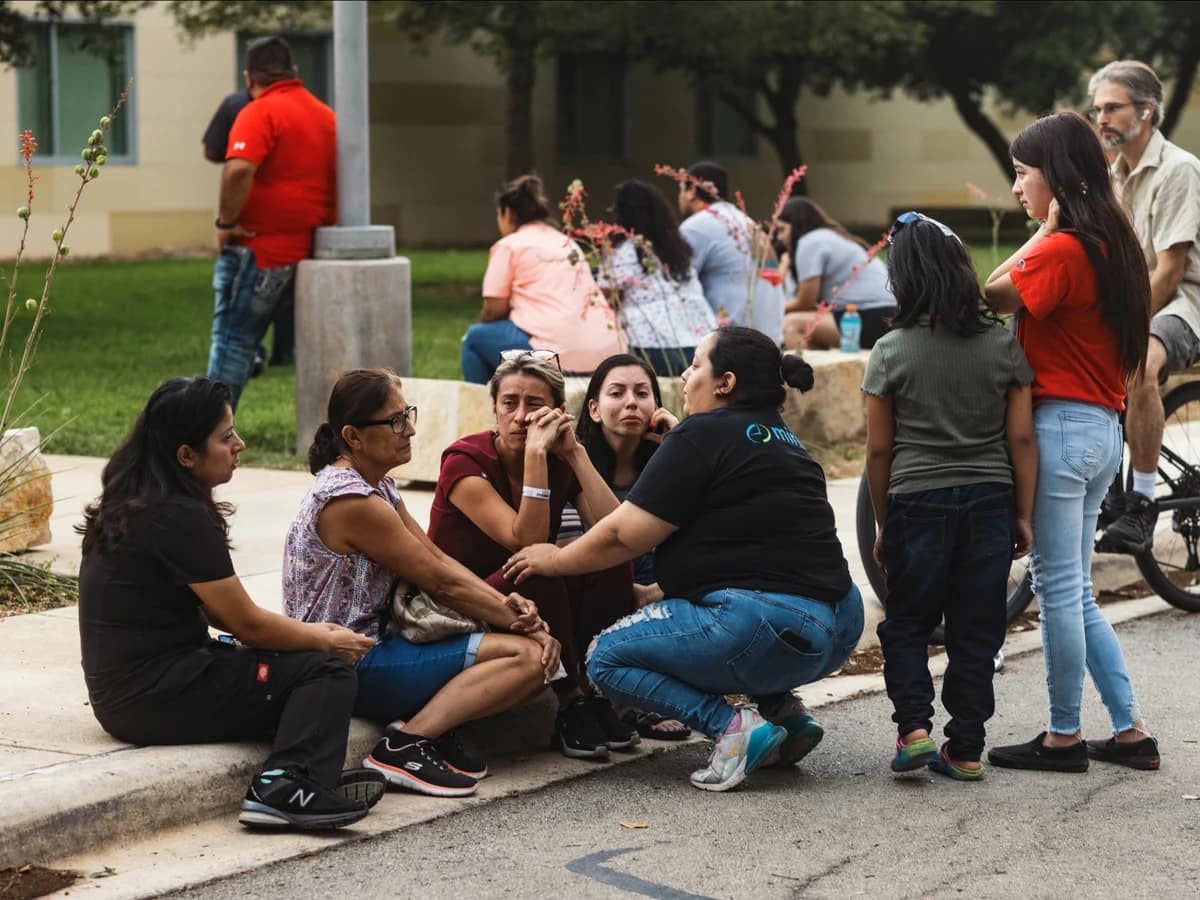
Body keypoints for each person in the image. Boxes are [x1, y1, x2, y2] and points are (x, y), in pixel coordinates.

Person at [505, 327, 864, 792]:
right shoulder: (784, 438)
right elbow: (744, 550)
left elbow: (622, 534)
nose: (686, 375)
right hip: (837, 627)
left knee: (606, 658)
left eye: (696, 364)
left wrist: (554, 560)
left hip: (766, 626)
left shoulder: (702, 433)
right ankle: (786, 717)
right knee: (723, 622)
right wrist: (655, 593)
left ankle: (732, 728)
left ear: (726, 383)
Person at [76, 377, 384, 831]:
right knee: (325, 670)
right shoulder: (178, 518)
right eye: (225, 438)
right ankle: (285, 787)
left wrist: (292, 642)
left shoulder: (139, 502)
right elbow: (246, 624)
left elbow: (223, 614)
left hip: (132, 693)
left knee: (288, 665)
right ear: (186, 456)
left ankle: (310, 775)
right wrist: (324, 637)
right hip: (154, 697)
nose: (239, 445)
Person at [283, 368, 558, 797]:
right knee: (529, 658)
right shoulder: (351, 500)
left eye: (406, 414)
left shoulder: (378, 488)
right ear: (353, 437)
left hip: (377, 647)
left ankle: (419, 728)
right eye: (395, 421)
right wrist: (526, 626)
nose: (410, 429)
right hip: (345, 663)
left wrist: (513, 610)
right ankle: (404, 745)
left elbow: (438, 559)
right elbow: (440, 582)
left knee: (529, 649)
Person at [983, 111, 1160, 772]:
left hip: (1059, 432)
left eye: (1023, 172)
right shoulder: (1113, 244)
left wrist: (1045, 233)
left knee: (1057, 590)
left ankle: (1062, 737)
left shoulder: (1063, 249)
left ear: (1055, 177)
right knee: (1072, 589)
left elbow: (988, 299)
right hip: (1100, 433)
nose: (1015, 187)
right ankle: (1130, 732)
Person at [864, 212, 1037, 780]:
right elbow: (1020, 437)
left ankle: (913, 730)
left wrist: (885, 523)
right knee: (975, 629)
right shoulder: (1002, 345)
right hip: (989, 501)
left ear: (905, 278)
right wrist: (1023, 513)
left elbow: (879, 453)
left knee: (908, 622)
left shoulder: (891, 351)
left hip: (917, 501)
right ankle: (964, 750)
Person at [429, 350, 641, 759]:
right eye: (509, 403)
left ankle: (598, 686)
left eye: (535, 405)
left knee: (610, 561)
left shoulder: (559, 458)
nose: (521, 416)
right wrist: (536, 458)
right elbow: (522, 541)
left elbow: (618, 531)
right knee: (536, 566)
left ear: (559, 412)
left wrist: (575, 452)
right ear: (494, 408)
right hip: (462, 603)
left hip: (524, 600)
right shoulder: (465, 461)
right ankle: (570, 701)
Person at [1087, 60, 1200, 555]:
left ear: (1147, 111)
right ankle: (1105, 488)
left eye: (1113, 108)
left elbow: (1170, 272)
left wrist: (1122, 326)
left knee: (1139, 360)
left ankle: (1142, 502)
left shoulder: (1179, 170)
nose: (1102, 119)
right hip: (1144, 298)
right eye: (1097, 110)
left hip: (1188, 301)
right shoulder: (1113, 176)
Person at [564, 353, 691, 741]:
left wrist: (680, 442)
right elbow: (606, 536)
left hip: (656, 583)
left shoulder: (669, 459)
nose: (632, 403)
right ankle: (629, 697)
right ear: (594, 408)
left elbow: (702, 528)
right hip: (600, 576)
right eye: (617, 393)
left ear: (657, 404)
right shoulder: (573, 460)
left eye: (642, 393)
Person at [208, 35, 336, 410]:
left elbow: (237, 171)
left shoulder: (258, 111)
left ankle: (206, 432)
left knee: (233, 343)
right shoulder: (325, 115)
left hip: (258, 252)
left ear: (249, 78)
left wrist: (225, 222)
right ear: (293, 72)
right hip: (308, 252)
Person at [461, 175, 624, 384]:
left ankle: (485, 412)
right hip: (607, 350)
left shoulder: (509, 245)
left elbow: (493, 310)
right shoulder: (567, 243)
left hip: (555, 353)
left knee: (474, 339)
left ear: (507, 213)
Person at [201, 88, 292, 375]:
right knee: (281, 281)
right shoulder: (297, 107)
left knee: (243, 284)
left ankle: (254, 353)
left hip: (246, 212)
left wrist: (225, 223)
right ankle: (283, 350)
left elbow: (213, 152)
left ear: (249, 76)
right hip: (286, 216)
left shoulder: (236, 104)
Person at [596, 180, 716, 376]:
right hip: (702, 348)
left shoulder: (623, 253)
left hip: (653, 349)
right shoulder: (678, 251)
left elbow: (605, 302)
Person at [677, 161, 782, 341]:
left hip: (730, 340)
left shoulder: (695, 227)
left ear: (692, 191)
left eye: (681, 189)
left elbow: (677, 284)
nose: (679, 196)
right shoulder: (746, 221)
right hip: (770, 335)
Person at [777, 197, 897, 351]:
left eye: (782, 230)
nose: (779, 238)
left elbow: (805, 302)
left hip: (870, 317)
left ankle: (803, 374)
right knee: (809, 329)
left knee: (791, 324)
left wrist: (772, 310)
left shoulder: (809, 242)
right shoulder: (831, 236)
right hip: (888, 315)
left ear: (796, 225)